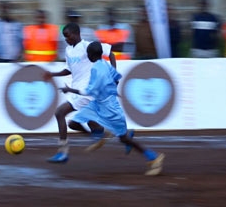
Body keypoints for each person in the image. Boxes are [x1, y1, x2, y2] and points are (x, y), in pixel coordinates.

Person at [61, 41, 165, 176]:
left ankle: (153, 158)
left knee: (123, 139)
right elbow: (117, 76)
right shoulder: (104, 64)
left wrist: (69, 89)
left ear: (90, 55)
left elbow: (88, 92)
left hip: (109, 108)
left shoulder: (95, 69)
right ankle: (104, 133)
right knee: (73, 123)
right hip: (99, 104)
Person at [43, 23, 116, 163]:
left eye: (68, 36)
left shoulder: (87, 46)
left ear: (76, 34)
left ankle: (63, 152)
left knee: (60, 113)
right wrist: (53, 74)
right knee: (75, 124)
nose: (66, 39)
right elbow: (69, 70)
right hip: (76, 90)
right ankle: (104, 132)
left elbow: (110, 52)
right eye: (64, 37)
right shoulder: (69, 50)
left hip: (87, 90)